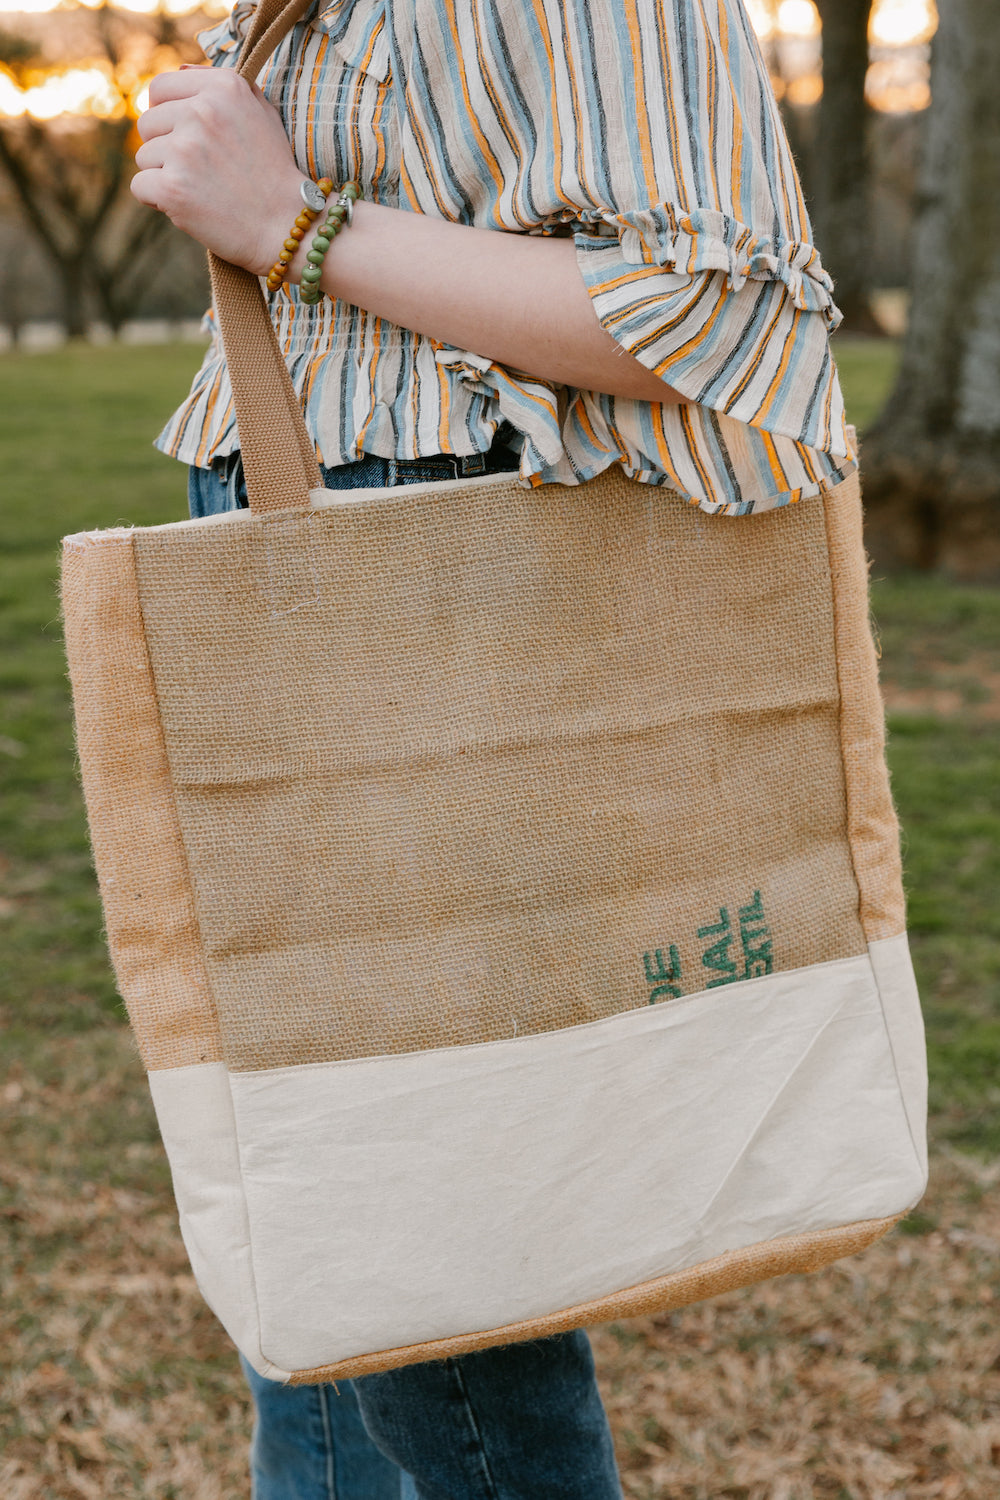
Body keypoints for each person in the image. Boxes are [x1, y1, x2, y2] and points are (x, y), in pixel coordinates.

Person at [131, 1, 855, 1494]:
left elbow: (715, 317)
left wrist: (291, 223)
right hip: (313, 546)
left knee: (421, 1224)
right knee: (325, 1224)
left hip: (432, 580)